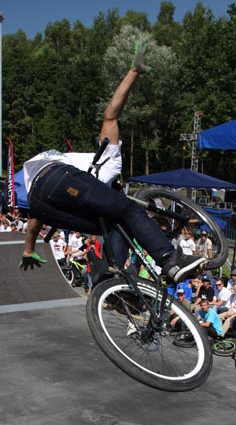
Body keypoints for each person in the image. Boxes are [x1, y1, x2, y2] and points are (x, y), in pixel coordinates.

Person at [19, 42, 206, 282]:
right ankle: (170, 260)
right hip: (60, 178)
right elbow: (111, 114)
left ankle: (108, 280)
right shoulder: (109, 160)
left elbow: (34, 220)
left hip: (40, 200)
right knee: (128, 209)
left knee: (113, 224)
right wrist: (133, 72)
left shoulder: (70, 161)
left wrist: (28, 249)